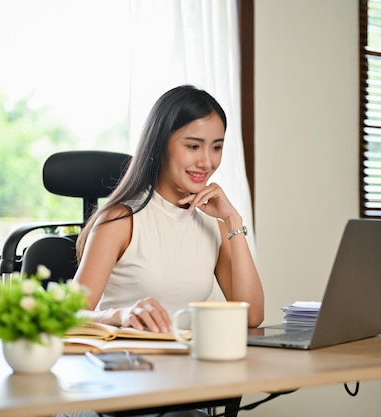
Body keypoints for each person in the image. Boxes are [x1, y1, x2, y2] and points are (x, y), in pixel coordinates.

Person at [58, 85, 264, 417]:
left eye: (216, 147)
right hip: (117, 392)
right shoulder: (122, 220)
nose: (206, 161)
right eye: (193, 146)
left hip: (181, 389)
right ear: (161, 145)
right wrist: (120, 315)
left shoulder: (214, 223)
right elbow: (65, 318)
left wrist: (233, 220)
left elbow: (252, 315)